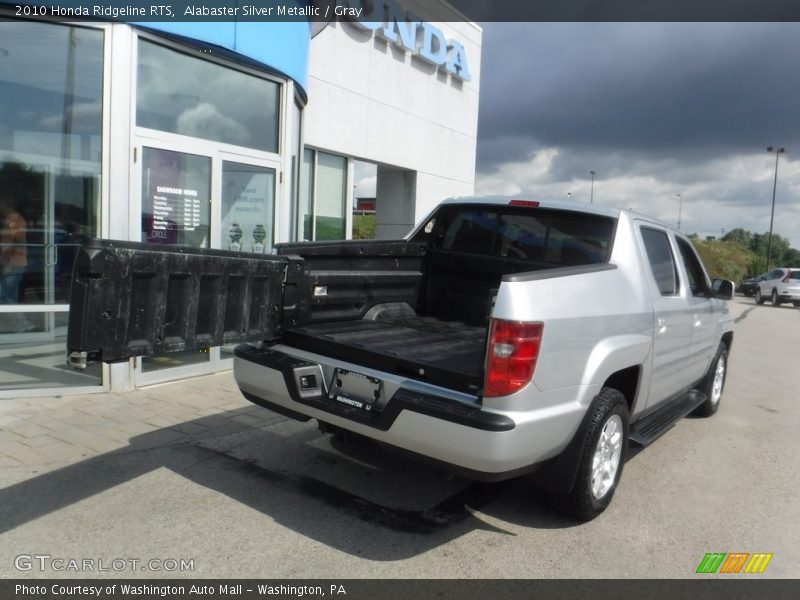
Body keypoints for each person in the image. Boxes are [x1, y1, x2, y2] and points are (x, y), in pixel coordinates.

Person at [0, 195, 35, 332]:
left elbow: (20, 243)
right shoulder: (9, 220)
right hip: (12, 263)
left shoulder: (15, 220)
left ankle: (24, 323)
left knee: (3, 295)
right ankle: (16, 327)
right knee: (11, 296)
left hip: (15, 264)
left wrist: (10, 264)